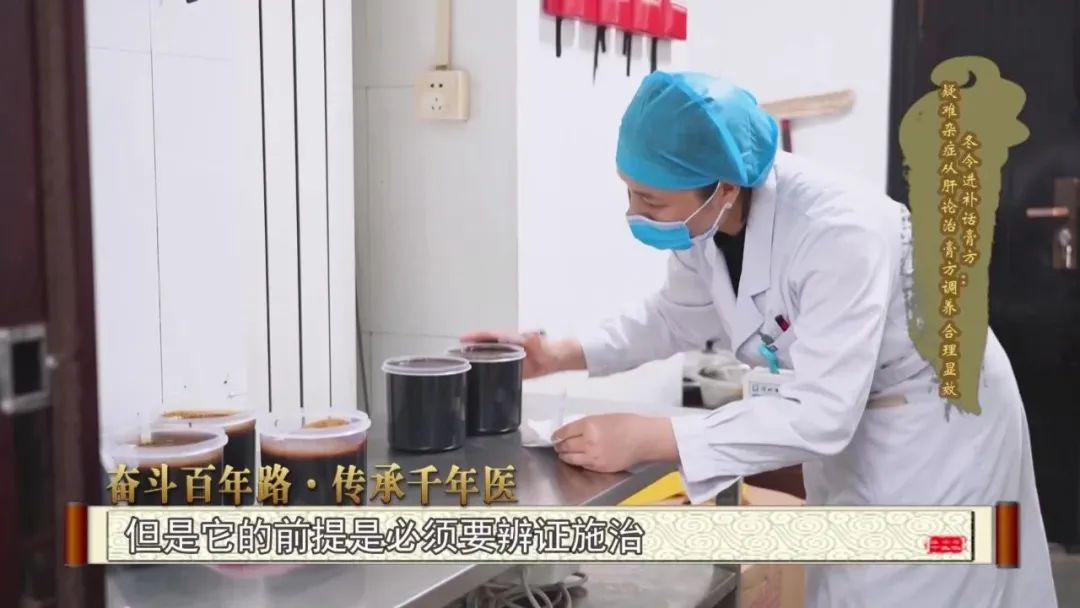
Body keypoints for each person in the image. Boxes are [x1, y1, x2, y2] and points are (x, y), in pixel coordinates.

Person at [464, 72, 1057, 607]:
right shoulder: (704, 226)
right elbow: (675, 316)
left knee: (911, 585)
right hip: (856, 420)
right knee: (844, 581)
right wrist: (557, 355)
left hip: (936, 426)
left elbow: (822, 413)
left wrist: (654, 437)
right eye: (629, 191)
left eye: (650, 200)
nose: (633, 213)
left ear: (723, 188)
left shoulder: (840, 232)